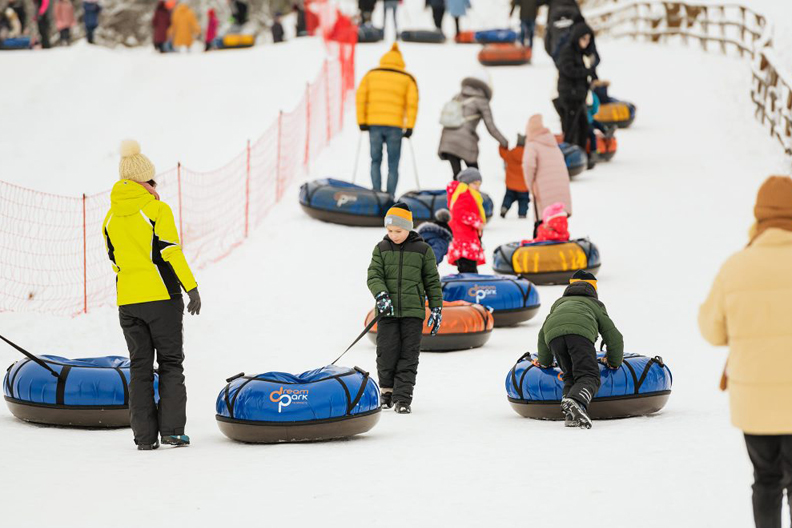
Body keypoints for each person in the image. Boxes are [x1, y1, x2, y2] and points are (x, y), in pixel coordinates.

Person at [698, 175, 792, 528]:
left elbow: (711, 330)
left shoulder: (736, 266)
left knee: (767, 479)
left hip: (756, 399)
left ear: (760, 215)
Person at [102, 140, 201, 451]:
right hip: (162, 298)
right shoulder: (157, 209)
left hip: (128, 303)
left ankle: (144, 437)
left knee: (139, 367)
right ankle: (172, 431)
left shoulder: (109, 218)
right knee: (171, 363)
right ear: (146, 180)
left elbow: (114, 260)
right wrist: (191, 287)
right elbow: (170, 251)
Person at [367, 203, 443, 415]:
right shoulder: (381, 249)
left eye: (398, 231)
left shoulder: (423, 250)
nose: (393, 235)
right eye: (389, 231)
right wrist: (381, 294)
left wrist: (436, 308)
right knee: (386, 352)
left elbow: (432, 281)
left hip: (412, 312)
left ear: (408, 228)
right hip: (387, 312)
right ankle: (387, 392)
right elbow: (374, 275)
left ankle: (403, 397)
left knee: (408, 354)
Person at [535, 270, 623, 429]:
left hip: (553, 337)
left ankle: (571, 415)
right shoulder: (595, 305)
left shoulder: (559, 304)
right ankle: (576, 401)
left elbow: (542, 336)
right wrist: (614, 361)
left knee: (570, 376)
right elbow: (614, 337)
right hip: (580, 336)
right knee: (589, 375)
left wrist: (545, 362)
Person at [356, 42, 418, 197]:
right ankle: (390, 196)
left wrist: (362, 121)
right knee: (393, 164)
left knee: (375, 160)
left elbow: (360, 98)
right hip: (395, 126)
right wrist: (409, 126)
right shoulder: (407, 78)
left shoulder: (371, 74)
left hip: (374, 124)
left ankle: (376, 193)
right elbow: (412, 105)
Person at [439, 73, 508, 179]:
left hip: (447, 139)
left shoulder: (457, 96)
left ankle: (456, 195)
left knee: (457, 176)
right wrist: (503, 141)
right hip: (465, 141)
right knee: (474, 177)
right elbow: (490, 126)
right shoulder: (482, 101)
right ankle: (471, 195)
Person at [522, 114, 572, 234]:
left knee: (542, 222)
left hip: (544, 191)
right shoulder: (552, 144)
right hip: (561, 188)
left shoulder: (532, 144)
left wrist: (530, 186)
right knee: (558, 221)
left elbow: (528, 166)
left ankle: (539, 246)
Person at [556, 21, 597, 151]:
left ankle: (581, 154)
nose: (586, 42)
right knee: (571, 128)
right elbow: (568, 70)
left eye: (588, 39)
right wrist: (587, 71)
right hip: (570, 95)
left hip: (578, 96)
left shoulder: (580, 53)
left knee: (583, 126)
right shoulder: (568, 51)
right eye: (584, 39)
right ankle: (568, 156)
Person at [446, 168, 486, 274]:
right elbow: (459, 212)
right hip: (464, 238)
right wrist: (476, 222)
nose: (477, 186)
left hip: (466, 237)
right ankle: (469, 285)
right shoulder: (464, 194)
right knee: (468, 267)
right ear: (467, 183)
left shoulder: (470, 194)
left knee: (467, 267)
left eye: (479, 184)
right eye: (474, 183)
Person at [498, 134, 530, 219]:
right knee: (523, 200)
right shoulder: (529, 156)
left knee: (508, 197)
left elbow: (502, 153)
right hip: (524, 186)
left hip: (511, 183)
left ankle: (505, 207)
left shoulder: (511, 153)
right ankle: (522, 213)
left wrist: (502, 145)